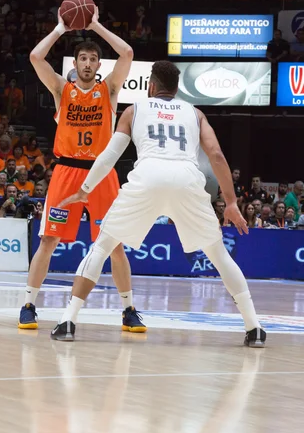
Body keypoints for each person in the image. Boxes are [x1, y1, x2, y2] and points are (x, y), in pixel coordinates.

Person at [51, 60, 266, 348]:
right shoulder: (195, 113)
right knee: (218, 255)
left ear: (151, 86)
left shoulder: (134, 110)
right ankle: (255, 328)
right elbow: (216, 155)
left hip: (147, 178)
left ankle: (68, 321)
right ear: (177, 89)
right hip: (187, 180)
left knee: (102, 247)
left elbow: (109, 156)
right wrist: (230, 202)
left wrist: (85, 189)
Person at [18, 6, 139, 332]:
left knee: (114, 244)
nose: (87, 63)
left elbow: (127, 51)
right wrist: (60, 28)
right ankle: (29, 304)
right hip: (67, 173)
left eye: (92, 59)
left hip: (101, 174)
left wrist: (96, 24)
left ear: (99, 64)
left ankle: (128, 310)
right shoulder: (62, 90)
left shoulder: (110, 90)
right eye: (82, 58)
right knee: (48, 242)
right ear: (75, 64)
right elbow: (35, 57)